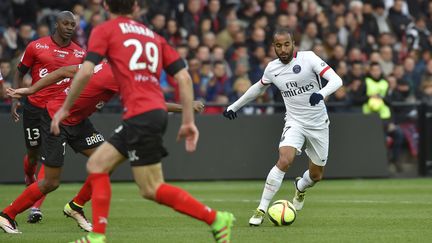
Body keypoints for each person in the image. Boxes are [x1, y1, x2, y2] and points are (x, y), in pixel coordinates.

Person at [51, 1, 234, 242]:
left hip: (141, 115)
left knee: (151, 188)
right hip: (151, 113)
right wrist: (188, 121)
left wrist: (64, 108)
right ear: (136, 7)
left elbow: (85, 72)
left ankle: (216, 219)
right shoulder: (153, 37)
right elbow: (184, 78)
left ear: (106, 5)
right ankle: (97, 235)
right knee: (98, 165)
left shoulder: (105, 30)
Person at [2, 63, 205, 233]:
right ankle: (6, 215)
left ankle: (75, 206)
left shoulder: (104, 67)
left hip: (79, 122)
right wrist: (187, 106)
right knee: (50, 182)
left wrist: (32, 89)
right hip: (56, 118)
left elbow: (64, 71)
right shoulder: (116, 75)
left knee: (106, 162)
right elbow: (151, 103)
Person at [223, 28, 343, 226]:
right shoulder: (272, 68)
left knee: (315, 176)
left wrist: (320, 94)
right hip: (294, 122)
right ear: (274, 47)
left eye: (286, 44)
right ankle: (261, 209)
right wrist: (234, 106)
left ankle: (300, 186)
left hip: (319, 124)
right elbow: (258, 88)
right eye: (278, 45)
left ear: (293, 43)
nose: (283, 49)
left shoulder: (309, 58)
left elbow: (336, 80)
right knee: (284, 160)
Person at [10, 11, 86, 223]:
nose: (70, 27)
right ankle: (29, 176)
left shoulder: (80, 53)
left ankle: (36, 207)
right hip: (34, 108)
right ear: (57, 24)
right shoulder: (36, 46)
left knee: (48, 156)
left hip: (57, 112)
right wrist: (16, 99)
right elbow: (19, 71)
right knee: (33, 154)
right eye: (66, 23)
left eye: (73, 24)